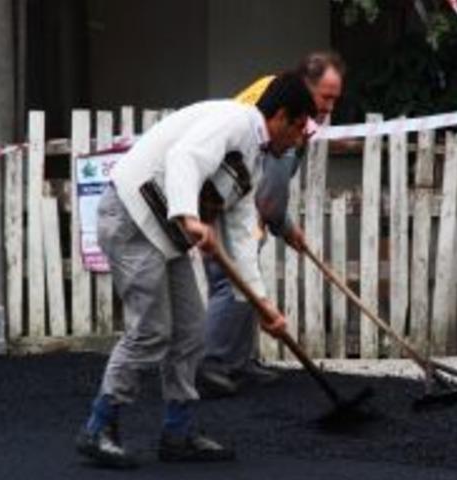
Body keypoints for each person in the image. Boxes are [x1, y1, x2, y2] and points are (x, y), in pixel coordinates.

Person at [75, 72, 317, 468]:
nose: (297, 141)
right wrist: (188, 215)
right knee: (151, 331)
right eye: (298, 129)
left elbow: (240, 238)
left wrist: (262, 306)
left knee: (190, 331)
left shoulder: (255, 160)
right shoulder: (235, 120)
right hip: (131, 218)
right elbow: (184, 158)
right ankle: (99, 425)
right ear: (282, 117)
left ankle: (178, 431)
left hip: (165, 236)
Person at [197, 52, 345, 397]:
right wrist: (282, 223)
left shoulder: (274, 90)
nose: (329, 106)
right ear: (306, 87)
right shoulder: (288, 111)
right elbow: (272, 189)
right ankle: (212, 364)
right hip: (223, 199)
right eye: (325, 97)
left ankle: (240, 360)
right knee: (229, 281)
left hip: (240, 198)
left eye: (335, 98)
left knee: (247, 278)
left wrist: (280, 224)